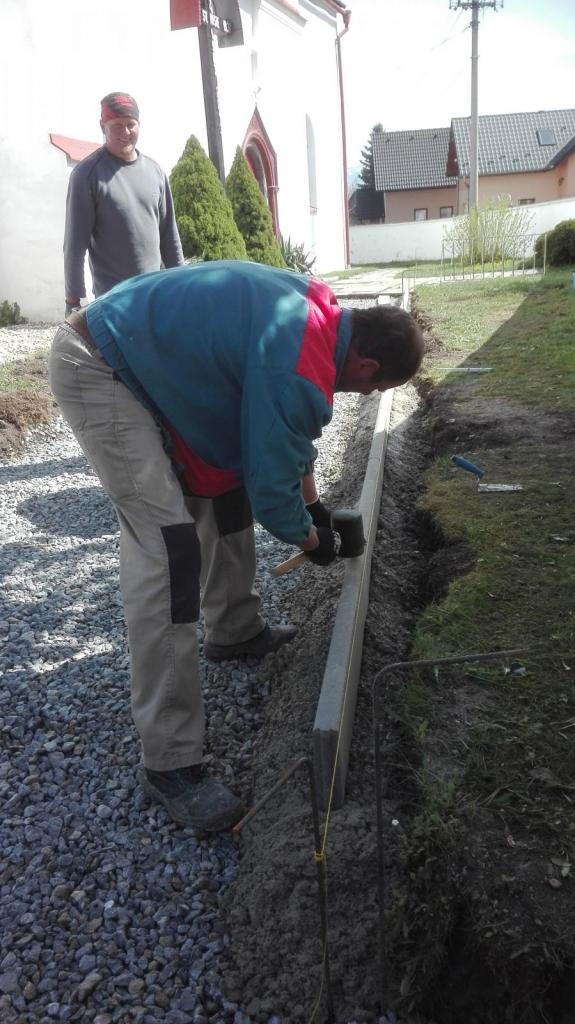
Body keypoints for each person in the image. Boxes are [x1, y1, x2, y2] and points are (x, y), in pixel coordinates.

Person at [48, 260, 424, 831]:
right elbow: (273, 494)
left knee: (226, 493)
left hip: (146, 359)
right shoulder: (299, 360)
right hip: (102, 366)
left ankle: (234, 629)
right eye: (377, 386)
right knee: (169, 548)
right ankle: (170, 762)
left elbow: (285, 438)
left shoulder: (320, 317)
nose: (368, 392)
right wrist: (312, 539)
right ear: (368, 365)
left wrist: (315, 506)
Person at [63, 91, 184, 316]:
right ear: (103, 126)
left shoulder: (155, 172)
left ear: (139, 125)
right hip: (114, 304)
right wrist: (74, 301)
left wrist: (183, 286)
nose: (125, 132)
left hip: (156, 297)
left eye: (130, 124)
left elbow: (170, 238)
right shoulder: (87, 175)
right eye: (116, 125)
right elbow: (74, 246)